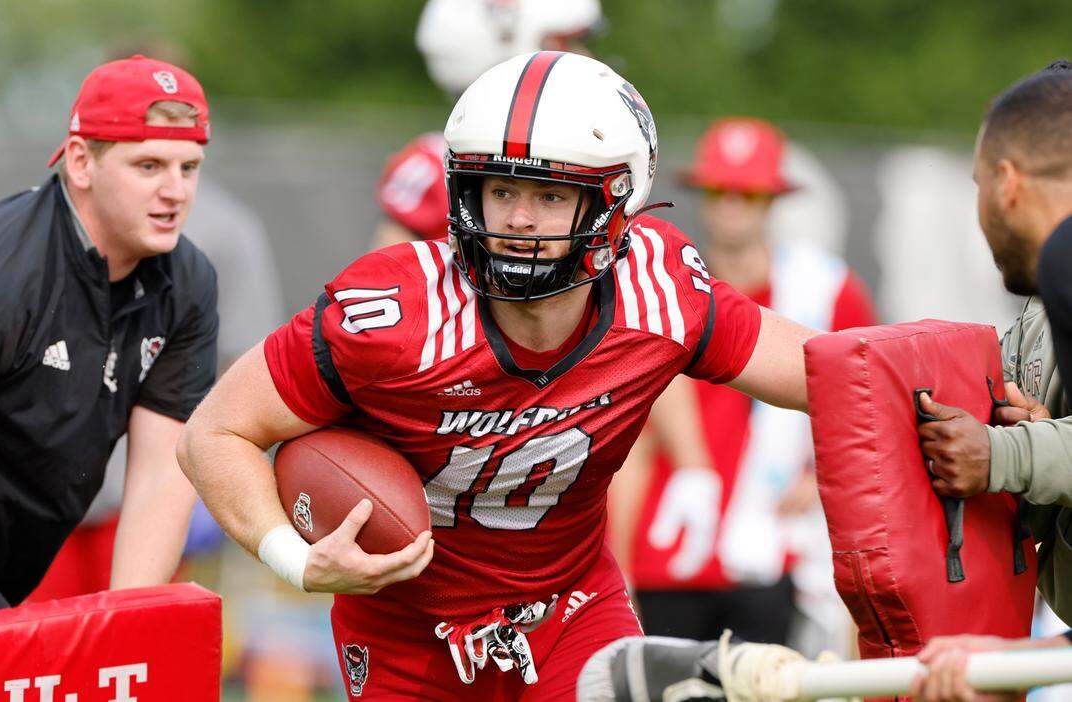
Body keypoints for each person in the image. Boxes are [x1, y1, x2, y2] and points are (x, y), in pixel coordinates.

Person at [179, 50, 816, 700]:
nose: (517, 219)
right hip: (407, 632)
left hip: (572, 610)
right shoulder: (395, 315)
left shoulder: (658, 290)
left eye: (549, 194)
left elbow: (826, 374)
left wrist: (917, 402)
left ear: (615, 201)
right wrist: (297, 560)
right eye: (502, 189)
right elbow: (214, 433)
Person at [0, 55, 218, 614]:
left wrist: (125, 630)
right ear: (82, 162)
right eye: (149, 166)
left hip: (4, 565)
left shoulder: (187, 281)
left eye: (189, 167)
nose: (175, 191)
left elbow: (163, 472)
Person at [610, 117, 875, 649]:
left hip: (769, 556)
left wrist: (823, 474)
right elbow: (630, 444)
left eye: (747, 194)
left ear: (771, 201)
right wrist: (617, 572)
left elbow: (866, 399)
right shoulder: (655, 294)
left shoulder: (822, 291)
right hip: (669, 552)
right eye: (720, 192)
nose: (732, 206)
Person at [862, 60, 1072, 701]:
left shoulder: (1065, 260)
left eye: (976, 183)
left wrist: (1001, 455)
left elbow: (1001, 457)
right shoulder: (1044, 304)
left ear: (1007, 183)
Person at [372, 0, 603, 249]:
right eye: (567, 43)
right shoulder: (433, 165)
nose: (586, 56)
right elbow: (385, 279)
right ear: (509, 44)